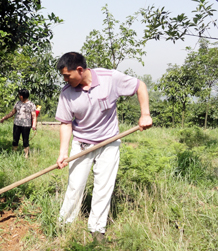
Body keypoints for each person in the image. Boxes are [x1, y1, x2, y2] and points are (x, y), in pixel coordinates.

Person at [55, 52, 152, 241]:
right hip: (82, 144)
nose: (65, 79)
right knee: (75, 185)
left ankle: (97, 229)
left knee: (103, 186)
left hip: (109, 142)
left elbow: (140, 86)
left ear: (80, 70)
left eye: (67, 75)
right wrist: (62, 152)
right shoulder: (67, 92)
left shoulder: (110, 78)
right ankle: (64, 224)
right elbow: (66, 123)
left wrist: (145, 113)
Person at [0, 89, 37, 158]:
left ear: (23, 96)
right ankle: (14, 154)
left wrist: (34, 125)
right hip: (17, 124)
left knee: (25, 141)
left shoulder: (31, 105)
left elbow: (34, 116)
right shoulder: (17, 103)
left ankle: (26, 155)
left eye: (20, 95)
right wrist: (4, 118)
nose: (19, 96)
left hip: (26, 125)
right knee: (15, 139)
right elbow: (12, 112)